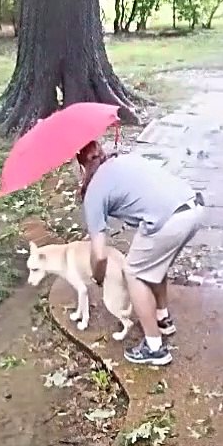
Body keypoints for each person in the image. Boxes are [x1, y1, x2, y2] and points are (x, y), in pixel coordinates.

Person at [76, 140, 205, 365]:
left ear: (80, 166)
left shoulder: (94, 192)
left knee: (134, 272)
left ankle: (155, 348)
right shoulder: (123, 160)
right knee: (154, 262)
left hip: (169, 221)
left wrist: (97, 277)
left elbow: (100, 255)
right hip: (193, 208)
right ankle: (163, 318)